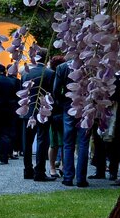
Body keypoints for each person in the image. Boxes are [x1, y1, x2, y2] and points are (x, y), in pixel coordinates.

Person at [52, 58, 90, 188]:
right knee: (83, 143)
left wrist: (63, 102)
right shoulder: (89, 64)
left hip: (68, 106)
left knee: (68, 143)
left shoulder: (62, 67)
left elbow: (56, 90)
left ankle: (68, 177)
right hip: (86, 105)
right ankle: (81, 179)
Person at [21, 48, 56, 181]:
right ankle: (39, 171)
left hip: (27, 109)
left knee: (27, 142)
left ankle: (27, 170)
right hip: (43, 110)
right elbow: (52, 94)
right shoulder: (50, 73)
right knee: (42, 140)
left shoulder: (25, 73)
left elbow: (22, 92)